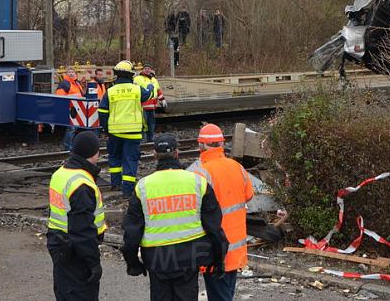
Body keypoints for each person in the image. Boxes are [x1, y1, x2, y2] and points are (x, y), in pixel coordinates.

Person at [122, 133, 228, 301]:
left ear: (155, 155)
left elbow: (132, 231)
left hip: (157, 258)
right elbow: (214, 227)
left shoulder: (143, 187)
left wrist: (133, 263)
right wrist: (218, 259)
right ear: (177, 153)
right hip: (189, 255)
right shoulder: (197, 182)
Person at [188, 124, 254, 301]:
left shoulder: (199, 172)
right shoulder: (236, 167)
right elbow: (249, 195)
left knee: (219, 296)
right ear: (222, 144)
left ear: (200, 145)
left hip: (214, 249)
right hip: (236, 248)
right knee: (226, 293)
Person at [47, 131, 107, 301]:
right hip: (76, 251)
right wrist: (93, 262)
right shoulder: (81, 184)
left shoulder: (61, 173)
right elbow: (82, 230)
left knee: (65, 293)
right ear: (94, 154)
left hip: (59, 243)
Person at [97, 60, 153, 197]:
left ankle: (115, 184)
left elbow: (102, 112)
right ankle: (127, 191)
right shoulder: (136, 89)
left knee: (115, 158)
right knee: (130, 160)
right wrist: (150, 87)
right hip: (133, 133)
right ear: (130, 75)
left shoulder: (110, 91)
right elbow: (149, 95)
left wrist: (106, 129)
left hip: (115, 132)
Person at [134, 63, 165, 143]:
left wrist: (162, 99)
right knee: (142, 124)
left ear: (151, 70)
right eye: (145, 68)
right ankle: (141, 139)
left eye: (149, 68)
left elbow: (157, 91)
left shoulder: (154, 80)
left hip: (152, 106)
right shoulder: (138, 79)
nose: (147, 70)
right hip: (142, 106)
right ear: (143, 70)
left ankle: (150, 138)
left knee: (151, 124)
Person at [56, 67, 85, 151]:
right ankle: (67, 147)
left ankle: (71, 146)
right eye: (69, 72)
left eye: (73, 72)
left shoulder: (77, 83)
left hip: (77, 108)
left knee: (75, 128)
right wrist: (73, 96)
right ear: (66, 74)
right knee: (71, 128)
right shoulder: (64, 84)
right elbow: (59, 97)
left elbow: (81, 94)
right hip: (69, 108)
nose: (71, 73)